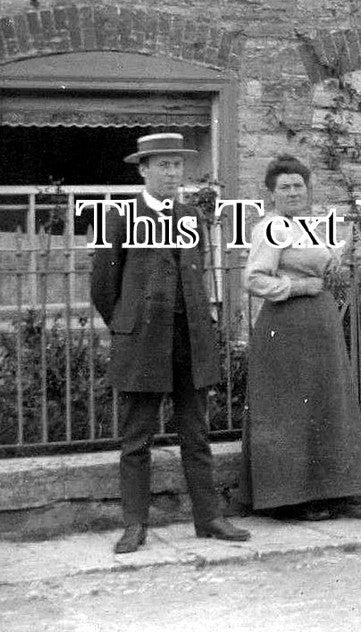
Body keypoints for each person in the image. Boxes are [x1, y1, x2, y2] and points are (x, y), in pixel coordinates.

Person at [90, 132, 250, 554]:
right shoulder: (120, 219)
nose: (172, 172)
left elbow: (194, 275)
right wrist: (128, 325)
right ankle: (135, 525)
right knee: (136, 438)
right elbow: (104, 287)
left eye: (177, 165)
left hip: (189, 341)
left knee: (196, 435)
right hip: (142, 343)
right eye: (162, 165)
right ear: (143, 170)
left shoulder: (192, 216)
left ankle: (209, 518)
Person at [241, 155, 361, 521]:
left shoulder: (308, 226)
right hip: (285, 327)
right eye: (283, 187)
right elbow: (254, 279)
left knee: (329, 406)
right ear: (271, 193)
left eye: (297, 186)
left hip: (320, 326)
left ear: (307, 190)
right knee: (291, 412)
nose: (291, 192)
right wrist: (301, 286)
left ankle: (339, 492)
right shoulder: (269, 228)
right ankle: (291, 499)